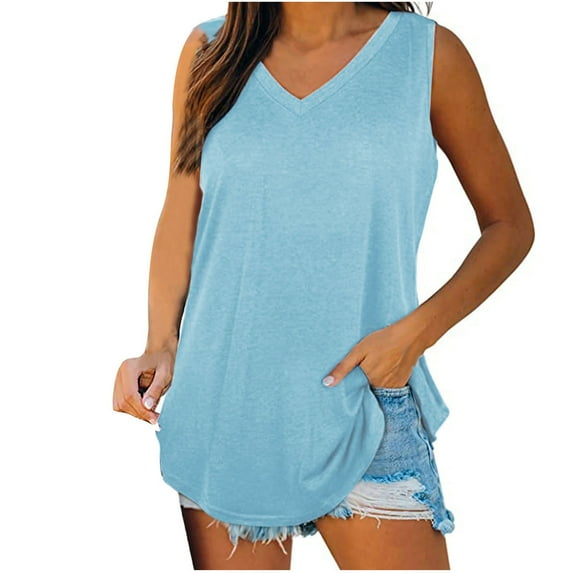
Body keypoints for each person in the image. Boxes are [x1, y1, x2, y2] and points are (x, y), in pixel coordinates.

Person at [113, 2, 534, 569]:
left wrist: (412, 338)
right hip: (226, 403)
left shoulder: (428, 55)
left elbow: (509, 225)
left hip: (361, 400)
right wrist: (160, 342)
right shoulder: (209, 53)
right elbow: (181, 209)